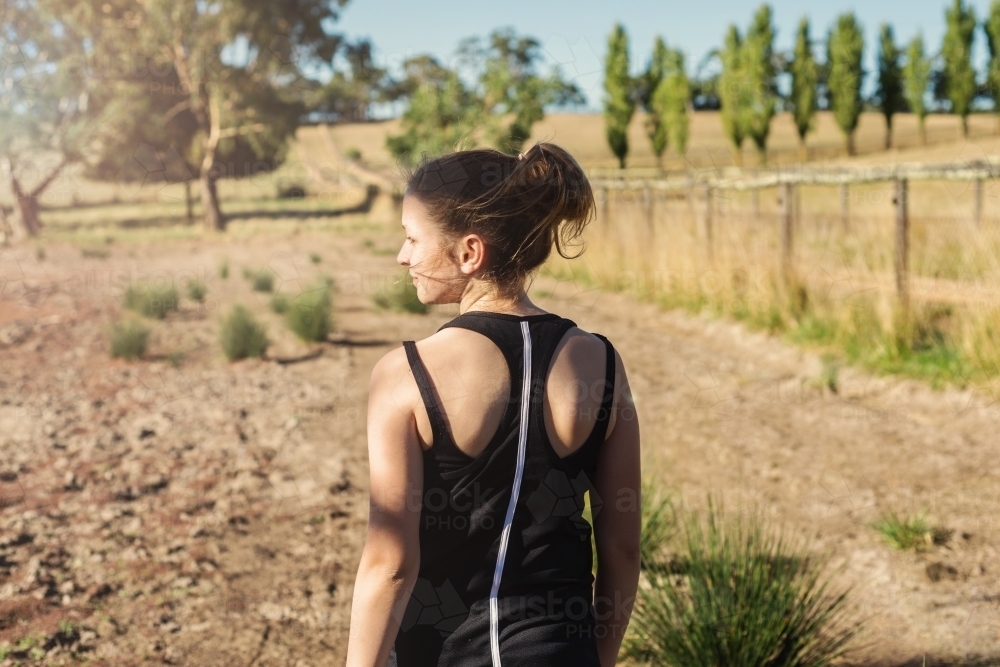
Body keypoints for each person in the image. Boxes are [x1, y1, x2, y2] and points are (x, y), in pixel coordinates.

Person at [346, 142, 641, 667]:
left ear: (469, 253)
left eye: (414, 238)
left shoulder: (406, 374)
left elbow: (390, 563)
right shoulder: (602, 363)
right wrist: (598, 657)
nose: (403, 255)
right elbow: (621, 548)